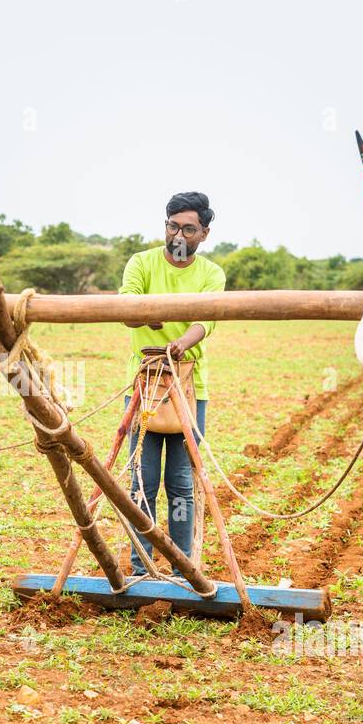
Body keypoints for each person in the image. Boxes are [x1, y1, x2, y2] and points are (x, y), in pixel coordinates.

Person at [119, 191, 225, 576]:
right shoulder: (141, 263)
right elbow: (126, 306)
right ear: (165, 226)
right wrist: (149, 318)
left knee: (181, 483)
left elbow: (207, 319)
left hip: (189, 386)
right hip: (145, 384)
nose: (179, 235)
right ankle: (141, 568)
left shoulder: (211, 274)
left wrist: (181, 343)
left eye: (189, 229)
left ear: (204, 233)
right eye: (173, 226)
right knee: (142, 481)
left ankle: (183, 569)